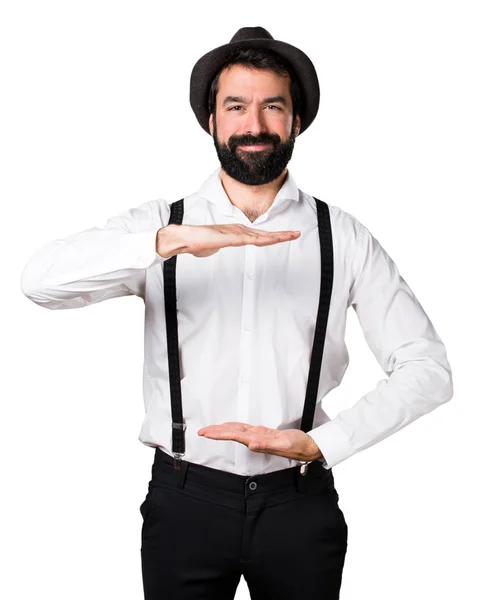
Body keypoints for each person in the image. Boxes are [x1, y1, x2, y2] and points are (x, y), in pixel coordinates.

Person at [20, 26, 453, 600]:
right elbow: (39, 283)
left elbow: (428, 369)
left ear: (296, 121)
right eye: (236, 107)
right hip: (184, 503)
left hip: (298, 505)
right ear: (211, 120)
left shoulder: (341, 237)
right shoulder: (160, 224)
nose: (254, 125)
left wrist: (326, 443)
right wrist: (166, 242)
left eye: (273, 106)